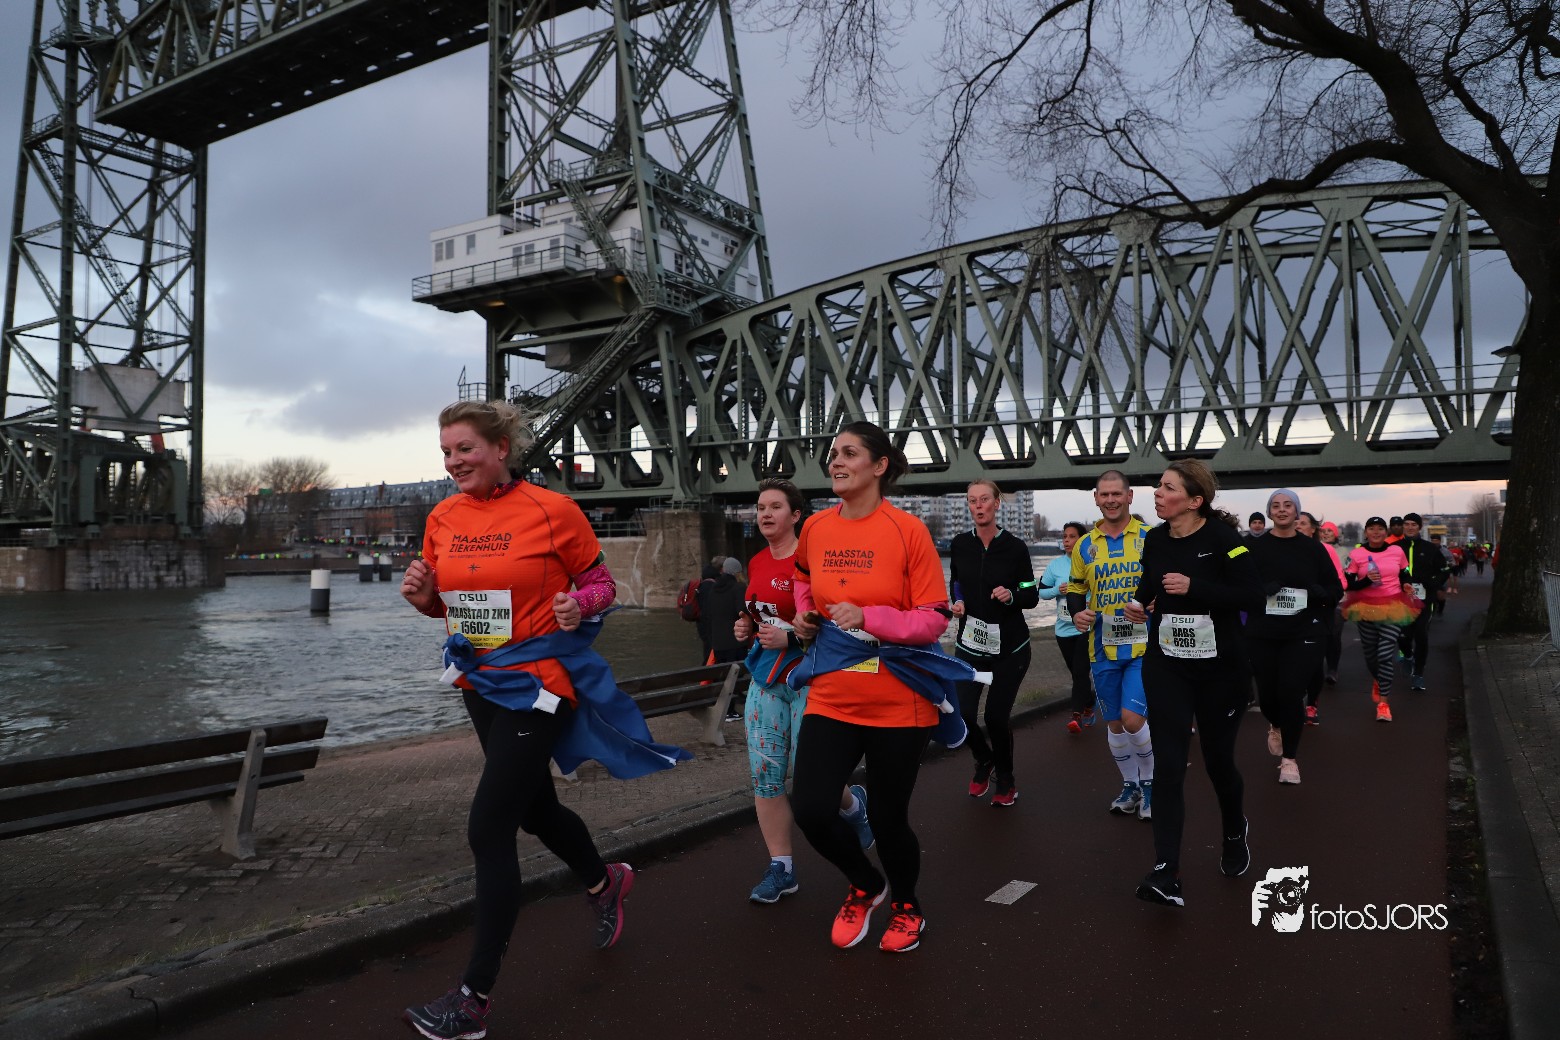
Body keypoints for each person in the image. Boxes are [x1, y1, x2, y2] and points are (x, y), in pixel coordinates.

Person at [399, 400, 691, 1040]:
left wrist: (577, 604)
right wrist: (424, 599)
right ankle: (605, 882)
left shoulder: (552, 510)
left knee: (489, 827)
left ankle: (473, 999)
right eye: (446, 452)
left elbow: (602, 586)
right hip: (479, 681)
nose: (453, 462)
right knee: (534, 811)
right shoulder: (443, 518)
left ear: (501, 447)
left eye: (465, 449)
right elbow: (450, 606)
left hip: (539, 687)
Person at [787, 420, 957, 953]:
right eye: (833, 453)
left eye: (849, 453)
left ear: (879, 466)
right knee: (810, 808)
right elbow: (802, 578)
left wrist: (870, 617)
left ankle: (906, 905)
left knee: (888, 818)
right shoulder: (816, 527)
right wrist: (805, 614)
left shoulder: (907, 531)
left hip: (899, 701)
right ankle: (865, 883)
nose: (835, 461)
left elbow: (934, 618)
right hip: (832, 695)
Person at [731, 478, 874, 904]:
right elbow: (758, 611)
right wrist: (746, 627)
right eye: (761, 507)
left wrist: (791, 637)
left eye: (775, 507)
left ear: (796, 516)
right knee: (766, 775)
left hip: (811, 679)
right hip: (765, 679)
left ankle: (853, 806)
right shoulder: (757, 561)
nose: (765, 514)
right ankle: (782, 868)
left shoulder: (814, 562)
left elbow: (840, 623)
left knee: (808, 772)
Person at [1127, 460, 1262, 908]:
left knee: (1218, 762)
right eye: (1158, 486)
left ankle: (1234, 830)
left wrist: (1196, 587)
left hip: (1220, 671)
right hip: (1168, 666)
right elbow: (1150, 582)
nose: (1157, 492)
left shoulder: (1225, 540)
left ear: (1194, 500)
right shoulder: (1155, 539)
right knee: (1168, 765)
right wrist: (1138, 602)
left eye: (1167, 487)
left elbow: (1253, 596)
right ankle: (1167, 871)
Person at [1066, 471, 1155, 820]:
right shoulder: (1084, 545)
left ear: (1129, 496)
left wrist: (1157, 602)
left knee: (1133, 720)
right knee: (1115, 723)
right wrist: (1077, 613)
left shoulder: (1150, 537)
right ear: (1096, 498)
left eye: (1117, 493)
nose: (1111, 500)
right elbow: (1076, 588)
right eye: (1105, 494)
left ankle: (1151, 785)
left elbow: (1164, 581)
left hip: (1143, 647)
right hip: (1102, 648)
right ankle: (1130, 786)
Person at [949, 479, 1040, 805]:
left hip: (1010, 650)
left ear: (997, 504)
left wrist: (1012, 594)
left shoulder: (1015, 548)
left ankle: (1006, 778)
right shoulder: (960, 544)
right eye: (973, 500)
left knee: (996, 718)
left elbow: (1030, 594)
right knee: (960, 713)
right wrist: (958, 602)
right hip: (971, 646)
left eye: (984, 499)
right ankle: (984, 758)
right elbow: (956, 582)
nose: (979, 506)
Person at [1244, 492, 1343, 785]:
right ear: (1269, 513)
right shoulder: (1253, 548)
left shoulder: (1314, 549)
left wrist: (1323, 594)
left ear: (1297, 512)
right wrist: (1261, 590)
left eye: (1288, 506)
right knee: (1268, 697)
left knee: (1291, 692)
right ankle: (1275, 723)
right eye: (1276, 506)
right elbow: (1240, 586)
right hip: (1264, 632)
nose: (1282, 510)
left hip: (1304, 631)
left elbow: (1335, 588)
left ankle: (1290, 759)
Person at [1339, 516, 1421, 722]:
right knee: (1371, 656)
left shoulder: (1397, 551)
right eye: (1371, 529)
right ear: (1366, 532)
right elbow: (1348, 584)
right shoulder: (1357, 554)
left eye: (1380, 529)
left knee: (1384, 654)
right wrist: (1366, 581)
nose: (1376, 532)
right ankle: (1378, 679)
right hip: (1365, 609)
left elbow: (1405, 572)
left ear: (1386, 532)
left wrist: (1406, 584)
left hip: (1393, 607)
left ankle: (1383, 703)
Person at [1040, 521, 1095, 733]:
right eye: (1064, 536)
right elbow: (1041, 592)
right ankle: (1089, 703)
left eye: (1072, 536)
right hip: (1063, 629)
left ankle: (1076, 715)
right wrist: (1057, 590)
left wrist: (1090, 599)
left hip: (1086, 628)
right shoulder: (1056, 565)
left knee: (1080, 671)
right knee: (1076, 673)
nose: (1066, 540)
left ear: (1082, 540)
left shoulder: (1092, 562)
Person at [1298, 512, 1346, 725]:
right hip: (1289, 613)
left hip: (1317, 611)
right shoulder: (1281, 548)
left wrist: (1324, 593)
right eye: (1296, 522)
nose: (1298, 526)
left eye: (1303, 523)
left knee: (1314, 661)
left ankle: (1312, 704)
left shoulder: (1325, 550)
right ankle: (1294, 701)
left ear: (1313, 529)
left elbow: (1341, 582)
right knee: (1292, 660)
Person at [1395, 513, 1450, 690]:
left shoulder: (1430, 548)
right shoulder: (1395, 548)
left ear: (1419, 527)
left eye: (1413, 524)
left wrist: (1433, 582)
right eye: (1407, 524)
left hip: (1425, 600)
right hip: (1401, 601)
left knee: (1421, 635)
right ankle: (1408, 656)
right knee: (1402, 636)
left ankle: (1418, 674)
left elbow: (1444, 570)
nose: (1410, 527)